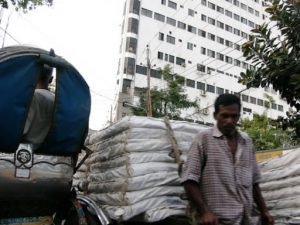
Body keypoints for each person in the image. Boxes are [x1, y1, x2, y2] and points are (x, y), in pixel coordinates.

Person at [181, 93, 274, 225]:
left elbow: (254, 182)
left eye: (234, 116)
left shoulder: (246, 142)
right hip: (217, 220)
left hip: (245, 219)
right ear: (215, 116)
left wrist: (264, 211)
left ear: (239, 117)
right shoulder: (204, 139)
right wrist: (205, 212)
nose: (229, 120)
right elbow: (189, 180)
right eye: (224, 116)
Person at [22, 64, 55, 148]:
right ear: (51, 79)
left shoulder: (30, 98)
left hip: (24, 152)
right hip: (51, 154)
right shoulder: (58, 101)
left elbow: (22, 130)